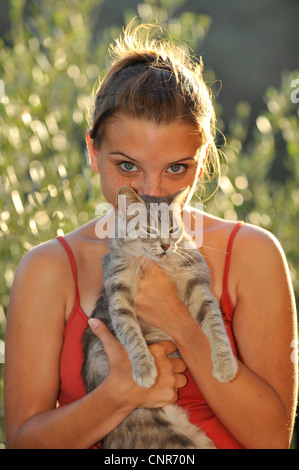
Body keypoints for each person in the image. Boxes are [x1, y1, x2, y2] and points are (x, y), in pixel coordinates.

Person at [4, 21, 298, 449]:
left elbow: (272, 440)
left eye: (176, 168)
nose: (151, 191)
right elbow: (22, 442)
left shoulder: (251, 254)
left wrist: (179, 321)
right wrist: (118, 394)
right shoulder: (48, 268)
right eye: (127, 166)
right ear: (93, 152)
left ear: (199, 165)